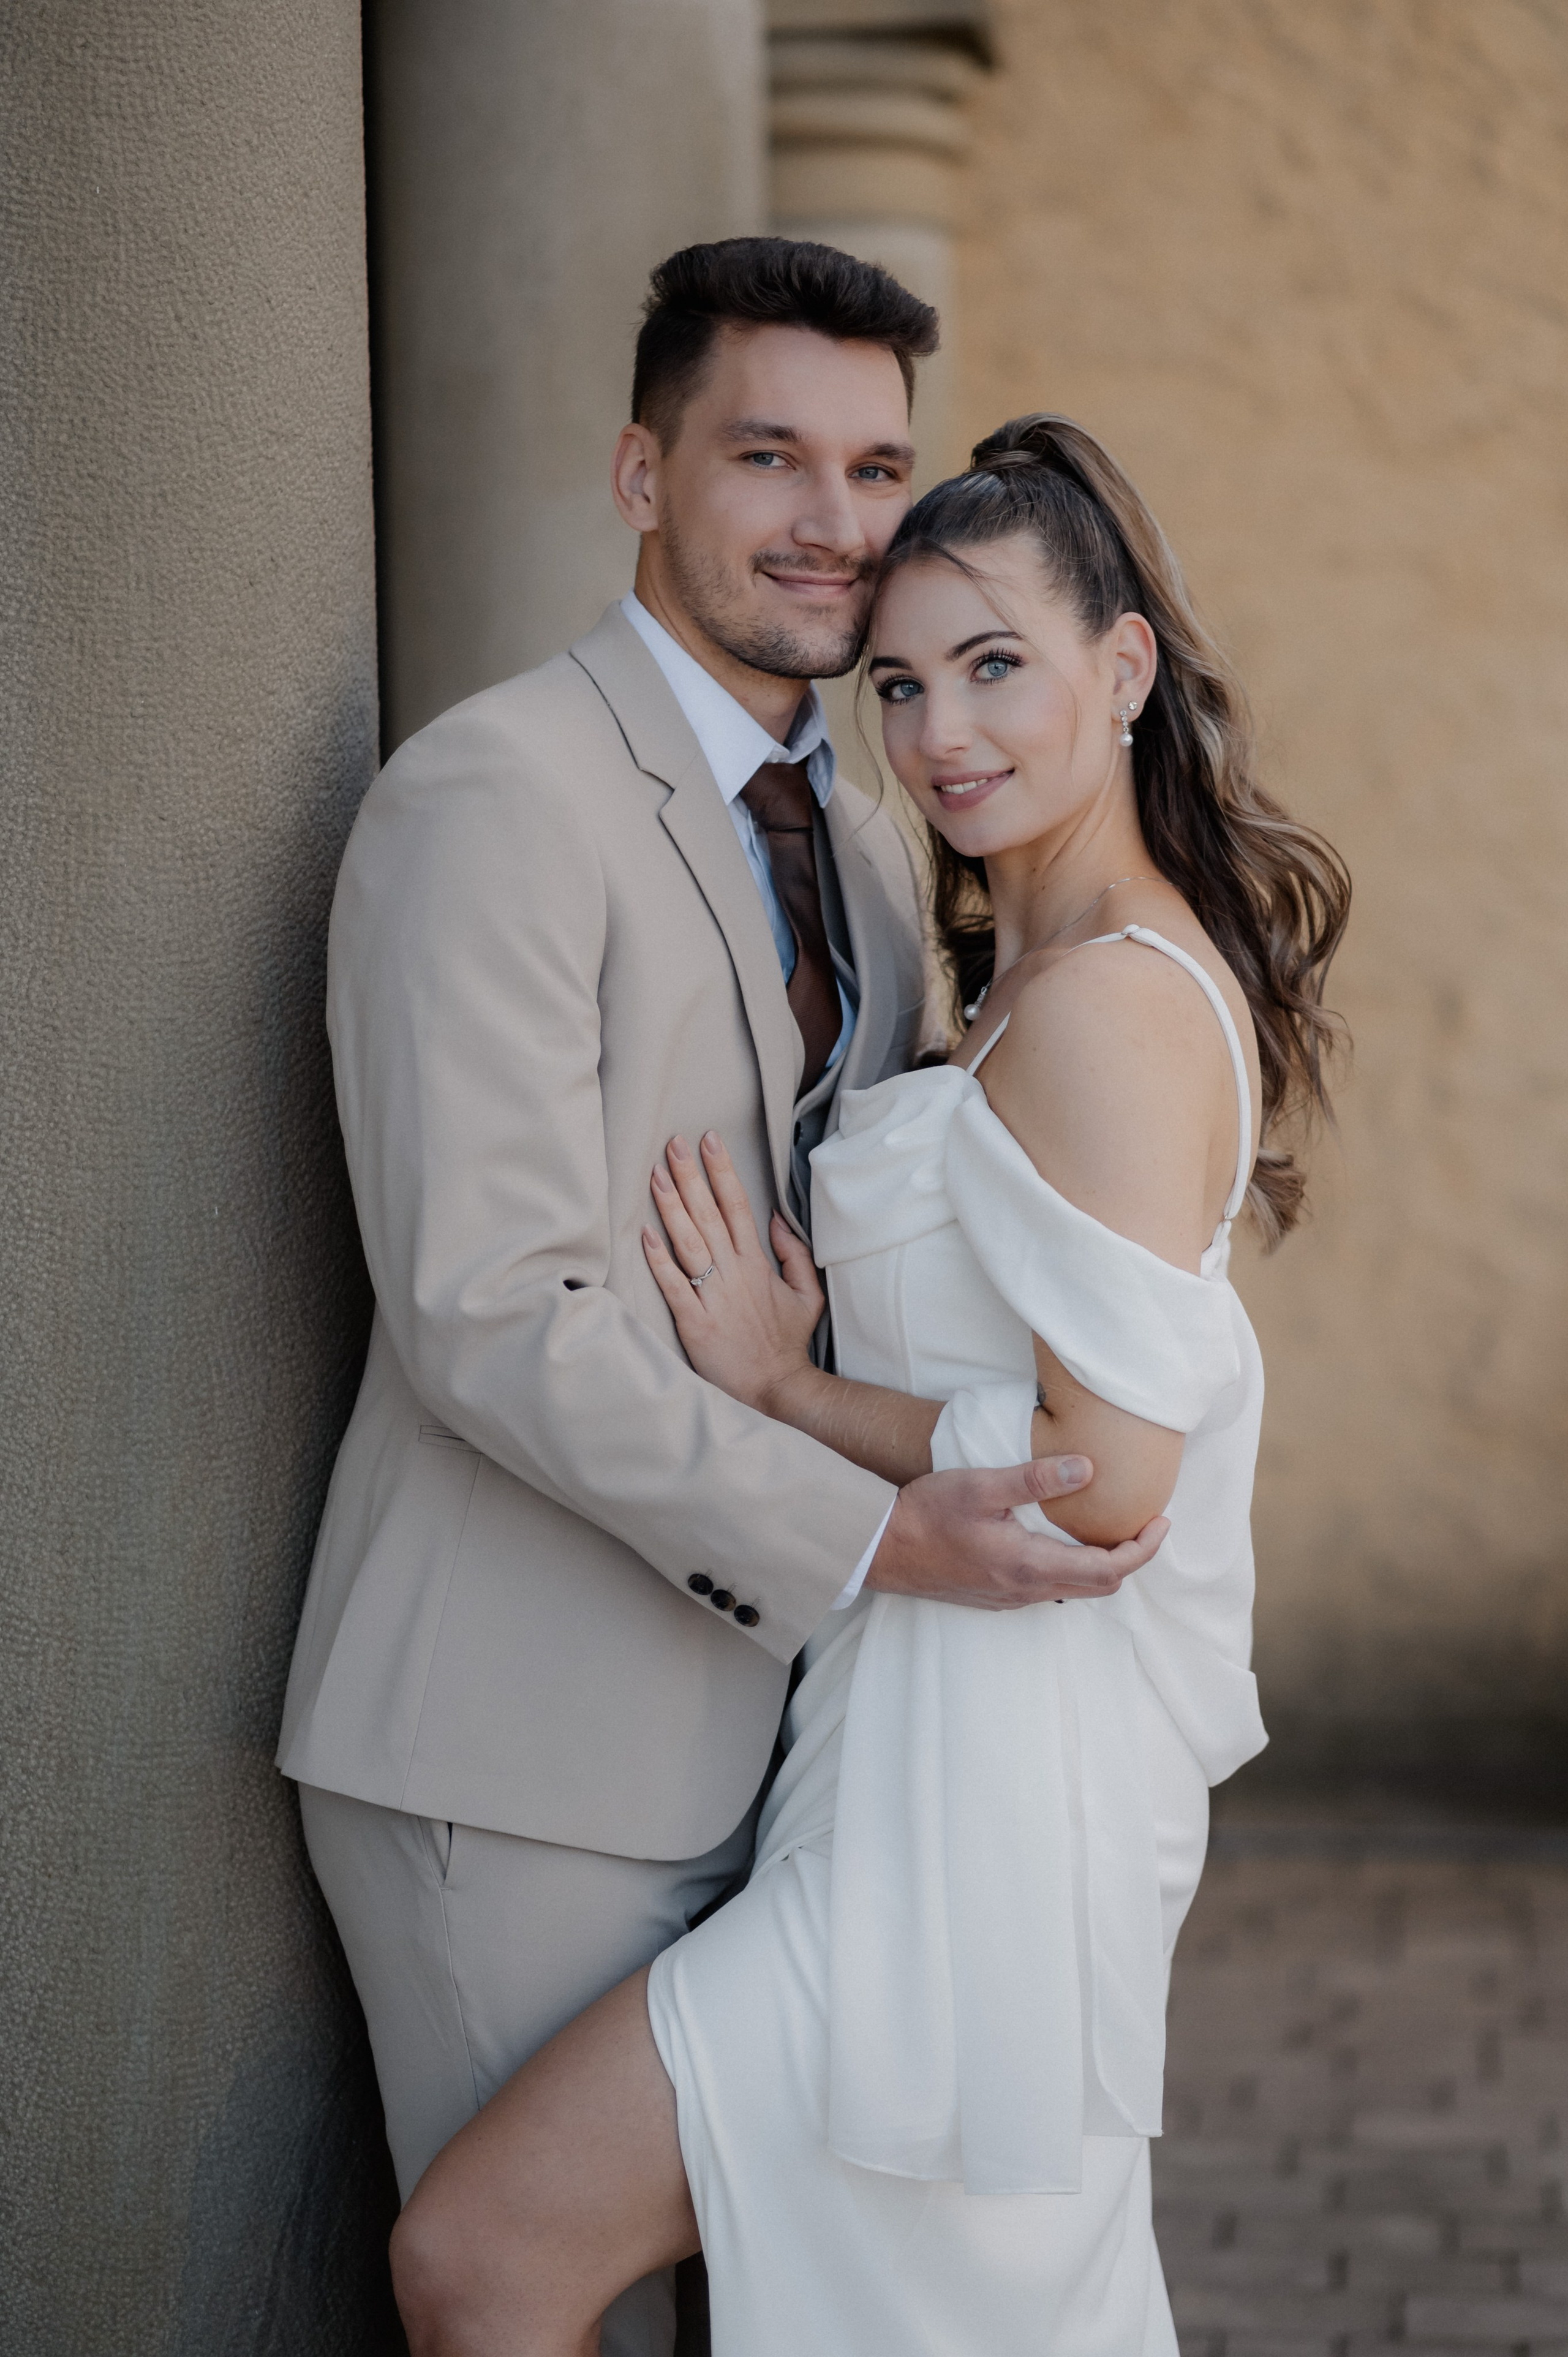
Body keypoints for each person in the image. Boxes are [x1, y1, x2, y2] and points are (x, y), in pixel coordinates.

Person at [277, 241, 1167, 2357]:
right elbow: (489, 1310)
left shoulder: (863, 845)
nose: (833, 519)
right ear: (640, 474)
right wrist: (877, 1534)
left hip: (791, 1742)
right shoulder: (495, 796)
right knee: (521, 2288)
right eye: (768, 456)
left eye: (874, 466)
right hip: (524, 1745)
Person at [388, 413, 1351, 2356]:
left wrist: (781, 1382)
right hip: (908, 1738)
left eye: (994, 665)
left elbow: (1107, 1478)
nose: (939, 733)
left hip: (995, 1789)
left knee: (481, 2257)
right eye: (899, 685)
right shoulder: (1023, 971)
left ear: (1124, 669)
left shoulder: (1107, 1004)